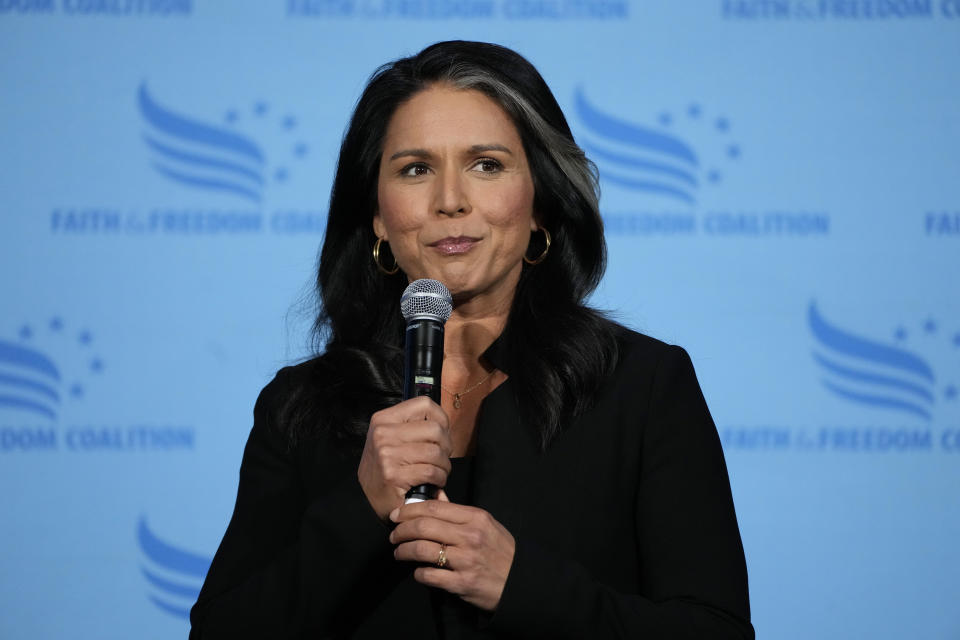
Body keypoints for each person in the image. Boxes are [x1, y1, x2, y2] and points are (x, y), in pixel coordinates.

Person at [189, 40, 753, 639]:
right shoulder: (300, 406)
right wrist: (359, 508)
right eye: (415, 169)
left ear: (540, 202)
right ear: (377, 216)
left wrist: (523, 585)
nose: (451, 201)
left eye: (487, 164)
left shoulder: (641, 386)